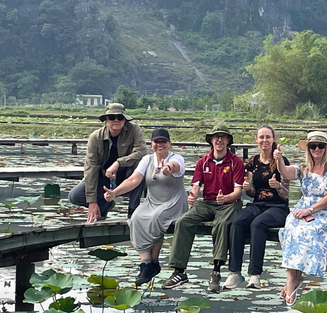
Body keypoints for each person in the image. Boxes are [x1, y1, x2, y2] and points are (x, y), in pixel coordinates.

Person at [162, 123, 244, 293]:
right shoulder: (203, 162)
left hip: (228, 204)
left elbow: (238, 192)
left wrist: (226, 198)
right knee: (184, 221)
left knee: (221, 224)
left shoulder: (236, 162)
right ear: (211, 140)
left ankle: (216, 272)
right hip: (207, 203)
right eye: (216, 137)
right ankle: (179, 271)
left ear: (228, 140)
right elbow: (196, 186)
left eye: (223, 137)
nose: (219, 140)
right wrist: (192, 195)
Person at [103, 128, 188, 287]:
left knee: (155, 218)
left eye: (163, 142)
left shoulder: (177, 158)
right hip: (152, 201)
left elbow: (175, 166)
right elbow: (134, 180)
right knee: (135, 218)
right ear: (152, 144)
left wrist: (168, 168)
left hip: (173, 202)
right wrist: (114, 193)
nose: (160, 145)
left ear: (169, 144)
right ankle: (146, 264)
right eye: (157, 142)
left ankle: (154, 261)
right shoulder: (147, 159)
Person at [275, 131, 327, 305]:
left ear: (326, 148)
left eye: (321, 146)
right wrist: (279, 158)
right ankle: (293, 276)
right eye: (313, 146)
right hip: (303, 208)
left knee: (311, 229)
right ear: (308, 148)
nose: (317, 149)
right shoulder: (303, 168)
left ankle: (295, 278)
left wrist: (310, 210)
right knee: (291, 225)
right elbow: (285, 172)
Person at [224, 125, 290, 290]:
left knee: (257, 224)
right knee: (237, 221)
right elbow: (253, 193)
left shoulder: (281, 161)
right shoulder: (252, 162)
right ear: (256, 140)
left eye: (268, 137)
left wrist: (278, 187)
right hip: (258, 204)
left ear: (273, 139)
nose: (264, 140)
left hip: (278, 207)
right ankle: (234, 272)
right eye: (261, 137)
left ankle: (255, 275)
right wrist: (248, 188)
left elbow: (286, 194)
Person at [68, 103, 147, 223]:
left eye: (120, 117)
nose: (116, 120)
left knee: (141, 166)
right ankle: (104, 205)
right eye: (112, 117)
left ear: (125, 120)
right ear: (106, 120)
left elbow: (141, 151)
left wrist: (118, 163)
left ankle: (133, 210)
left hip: (128, 175)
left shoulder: (134, 129)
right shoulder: (96, 137)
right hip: (104, 176)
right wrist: (92, 202)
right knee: (75, 195)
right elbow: (91, 167)